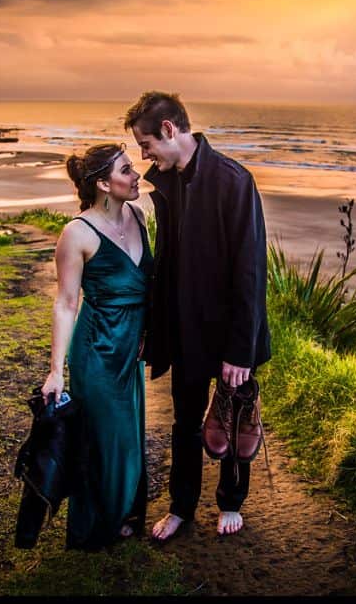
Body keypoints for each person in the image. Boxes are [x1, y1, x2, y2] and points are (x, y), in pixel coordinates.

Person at [124, 91, 272, 541]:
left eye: (146, 144)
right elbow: (167, 266)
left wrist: (240, 350)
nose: (144, 156)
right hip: (185, 331)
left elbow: (250, 273)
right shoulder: (167, 183)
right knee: (185, 424)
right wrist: (155, 328)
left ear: (169, 130)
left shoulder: (234, 181)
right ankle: (181, 507)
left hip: (228, 335)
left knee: (234, 419)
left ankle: (230, 502)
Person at [41, 142, 153, 550]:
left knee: (130, 433)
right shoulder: (77, 233)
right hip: (97, 348)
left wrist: (148, 332)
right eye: (126, 170)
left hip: (131, 347)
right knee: (106, 437)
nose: (137, 175)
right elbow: (66, 303)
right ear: (104, 184)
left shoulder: (138, 216)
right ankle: (96, 525)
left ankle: (125, 512)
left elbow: (147, 288)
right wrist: (56, 371)